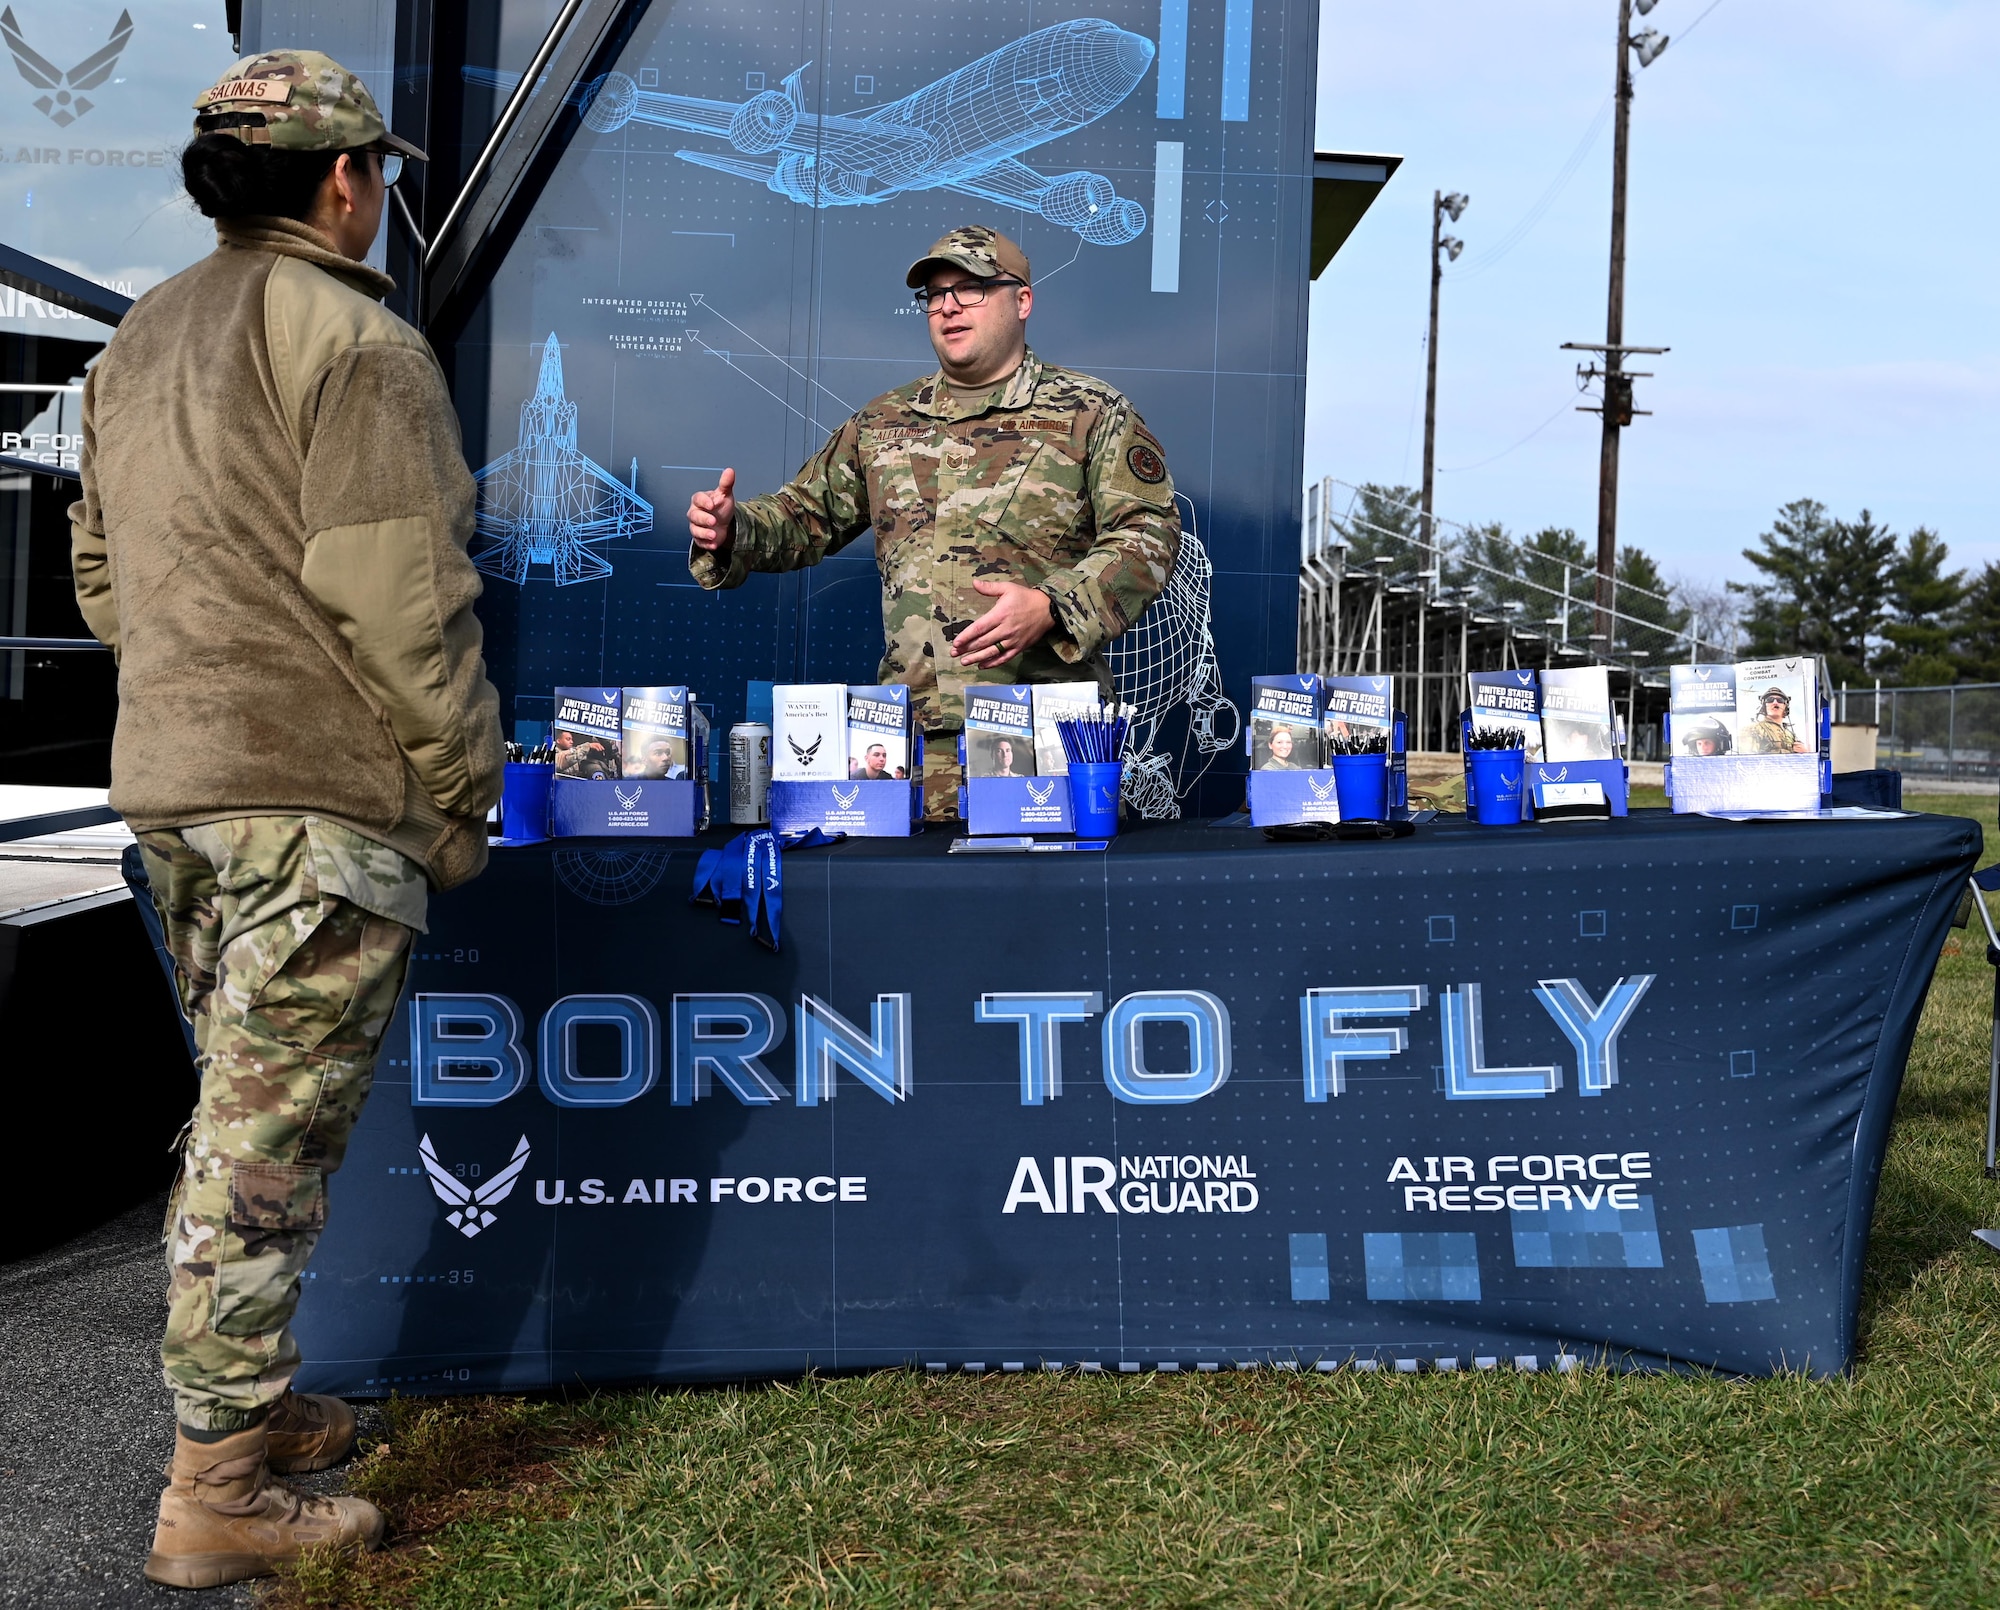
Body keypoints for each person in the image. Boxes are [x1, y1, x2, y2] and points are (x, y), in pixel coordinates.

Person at [68, 51, 502, 1590]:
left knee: (241, 1126)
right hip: (313, 802)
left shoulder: (139, 343)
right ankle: (215, 1489)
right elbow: (403, 604)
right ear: (342, 182)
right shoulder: (356, 344)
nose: (379, 193)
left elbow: (101, 581)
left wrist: (196, 677)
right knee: (265, 1151)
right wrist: (463, 785)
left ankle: (247, 1411)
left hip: (177, 790)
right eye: (376, 170)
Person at [687, 226, 1180, 818]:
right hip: (909, 754)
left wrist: (1052, 606)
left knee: (1044, 908)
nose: (947, 306)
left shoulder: (1089, 413)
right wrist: (734, 530)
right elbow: (802, 516)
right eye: (936, 294)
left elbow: (1148, 534)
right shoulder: (883, 423)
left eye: (970, 289)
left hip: (1045, 743)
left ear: (1021, 300)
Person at [1739, 687, 1808, 755]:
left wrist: (1804, 754)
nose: (1775, 703)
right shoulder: (1753, 729)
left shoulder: (1791, 735)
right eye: (1770, 700)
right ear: (1764, 706)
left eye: (1780, 700)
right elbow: (1747, 761)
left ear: (1785, 706)